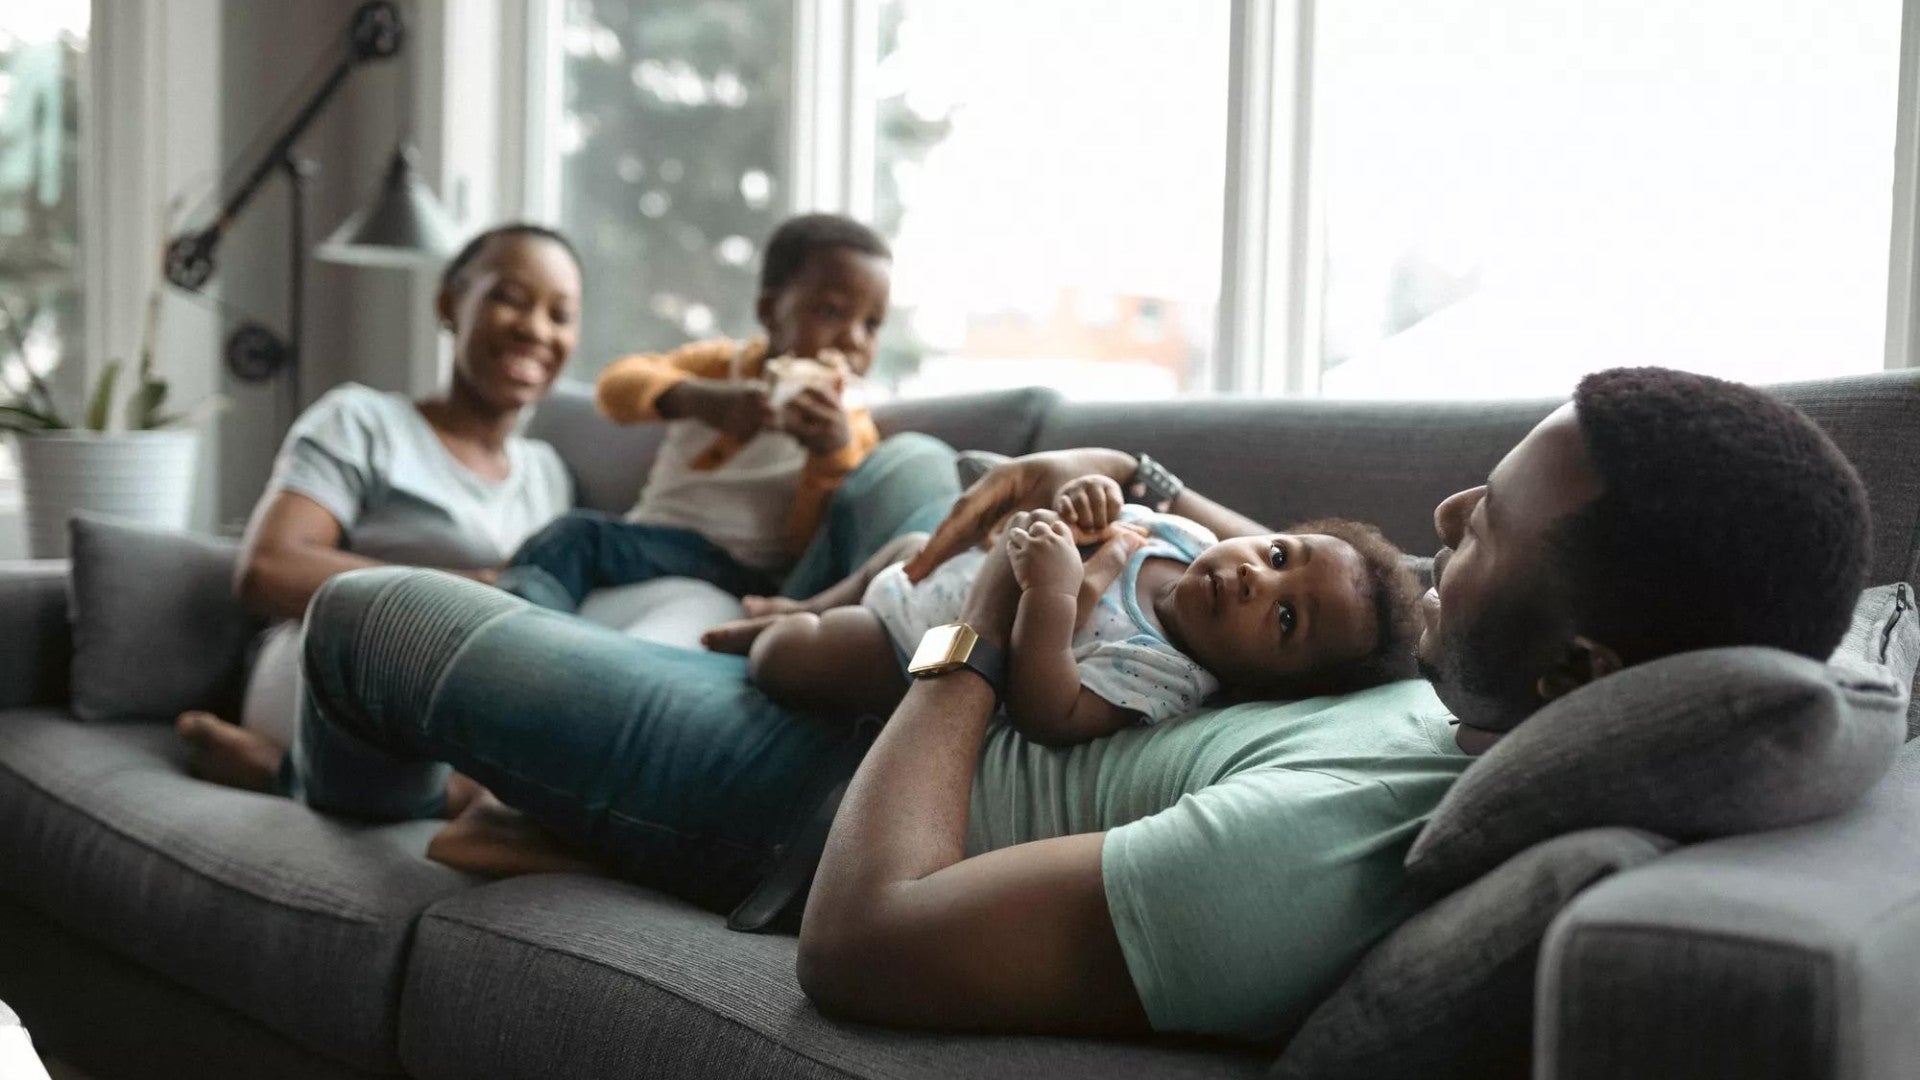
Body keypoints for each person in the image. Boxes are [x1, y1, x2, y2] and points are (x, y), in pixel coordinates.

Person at [281, 366, 1869, 1042]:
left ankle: (410, 800)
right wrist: (1125, 489)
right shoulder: (1466, 684)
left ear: (1581, 673)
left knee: (368, 622)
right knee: (906, 464)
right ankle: (720, 605)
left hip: (817, 796)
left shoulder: (1335, 841)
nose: (1451, 508)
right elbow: (1294, 578)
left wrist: (982, 623)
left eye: (1494, 522)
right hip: (906, 696)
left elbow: (867, 942)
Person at [175, 223, 585, 793]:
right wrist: (472, 592)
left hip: (463, 691)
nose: (535, 329)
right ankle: (324, 774)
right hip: (328, 670)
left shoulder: (549, 476)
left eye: (560, 315)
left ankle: (288, 775)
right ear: (449, 305)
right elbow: (268, 569)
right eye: (509, 299)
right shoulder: (363, 422)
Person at [708, 475, 1420, 744]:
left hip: (908, 645)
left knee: (794, 656)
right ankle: (797, 599)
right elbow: (1092, 521)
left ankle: (775, 631)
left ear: (1267, 689)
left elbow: (1048, 711)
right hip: (943, 570)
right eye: (1277, 557)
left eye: (1286, 619)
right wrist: (1089, 499)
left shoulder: (1166, 676)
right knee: (904, 547)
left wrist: (1052, 597)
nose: (1253, 583)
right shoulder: (1186, 535)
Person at [496, 212, 894, 612]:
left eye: (872, 325)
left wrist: (828, 456)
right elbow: (614, 387)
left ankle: (514, 626)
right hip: (648, 539)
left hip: (743, 571)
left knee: (575, 535)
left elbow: (811, 546)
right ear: (770, 311)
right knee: (573, 541)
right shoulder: (723, 366)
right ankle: (509, 613)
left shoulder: (851, 428)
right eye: (831, 313)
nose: (853, 339)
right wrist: (698, 399)